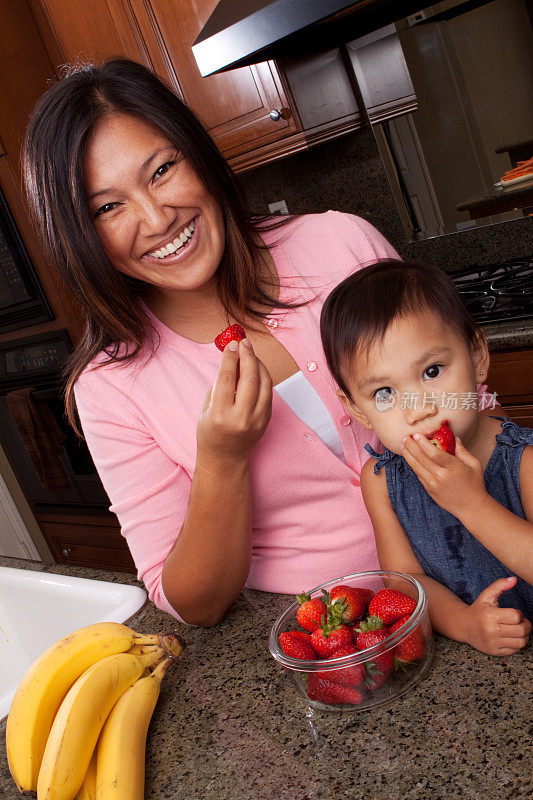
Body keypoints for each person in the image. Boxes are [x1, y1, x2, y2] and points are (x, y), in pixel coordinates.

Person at [23, 58, 405, 625]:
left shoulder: (341, 244)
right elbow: (192, 603)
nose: (156, 218)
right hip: (327, 641)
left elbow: (468, 409)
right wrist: (223, 462)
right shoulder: (111, 389)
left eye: (161, 170)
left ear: (197, 153)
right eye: (107, 207)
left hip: (476, 578)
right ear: (82, 236)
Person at [320, 258, 533, 656]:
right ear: (358, 409)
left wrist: (471, 503)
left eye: (432, 371)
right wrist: (466, 624)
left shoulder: (523, 461)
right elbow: (404, 581)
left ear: (477, 355)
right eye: (384, 393)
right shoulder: (383, 482)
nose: (418, 410)